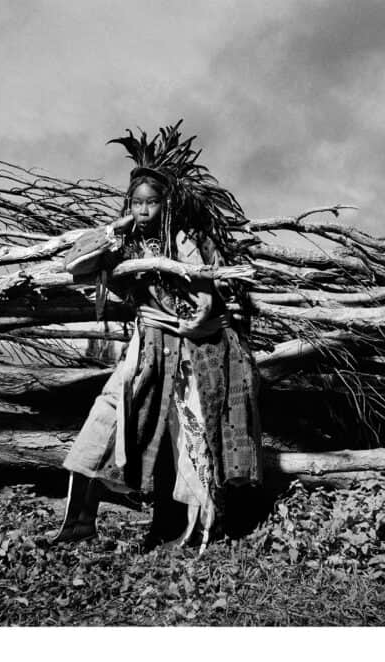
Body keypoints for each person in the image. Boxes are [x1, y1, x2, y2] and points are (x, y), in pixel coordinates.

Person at [52, 122, 262, 553]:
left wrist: (199, 313)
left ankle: (188, 530)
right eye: (137, 202)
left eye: (151, 202)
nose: (144, 210)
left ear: (166, 204)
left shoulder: (186, 240)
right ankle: (78, 524)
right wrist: (119, 225)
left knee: (187, 435)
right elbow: (75, 264)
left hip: (190, 350)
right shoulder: (122, 244)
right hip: (145, 348)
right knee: (105, 418)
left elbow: (206, 293)